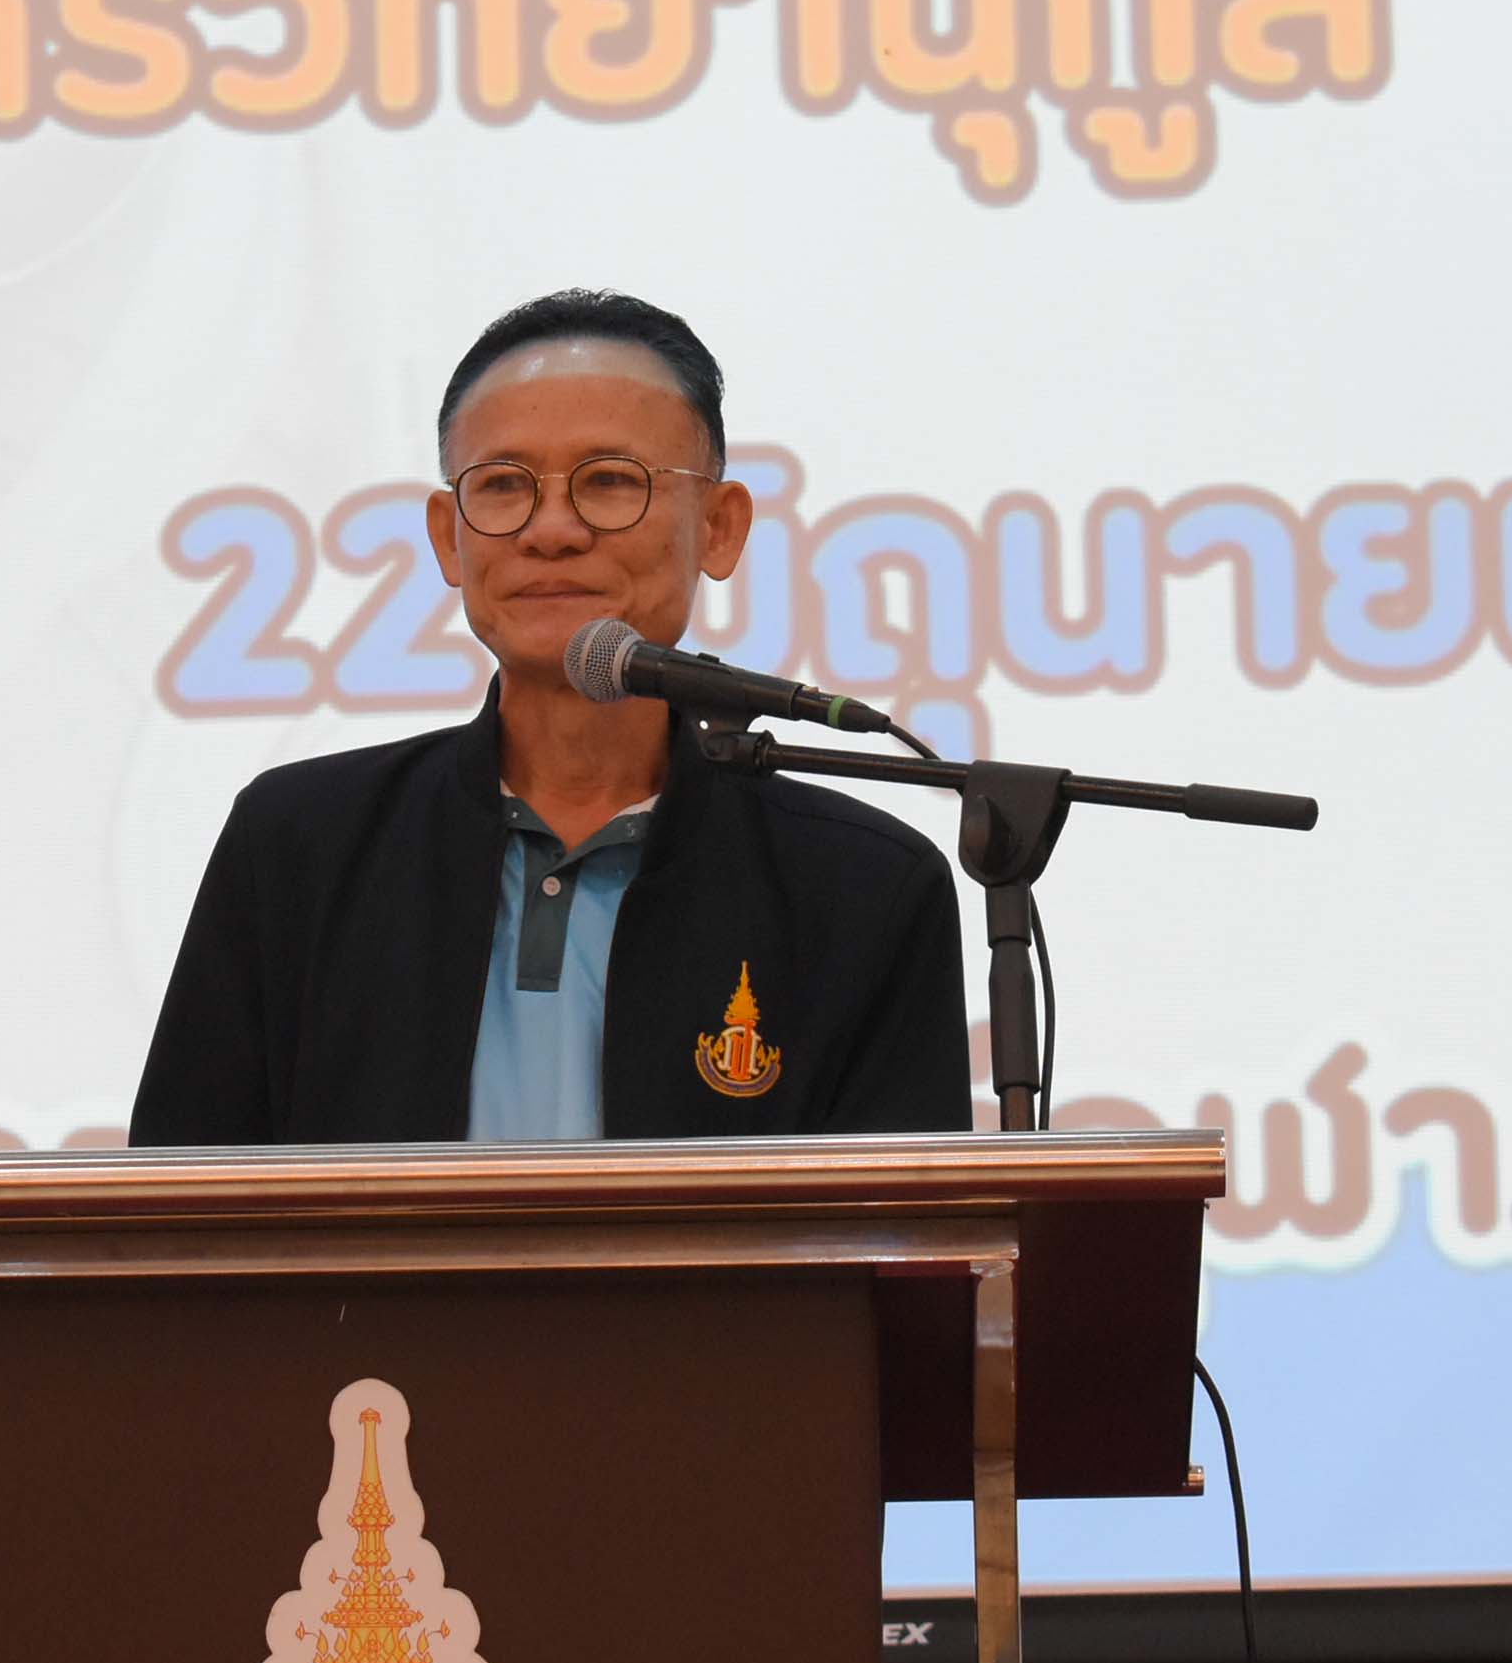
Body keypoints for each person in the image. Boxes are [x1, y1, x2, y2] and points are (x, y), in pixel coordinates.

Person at [129, 291, 969, 1146]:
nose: (553, 530)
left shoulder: (863, 885)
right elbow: (176, 1200)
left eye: (610, 481)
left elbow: (903, 1224)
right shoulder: (298, 844)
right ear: (449, 537)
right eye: (502, 486)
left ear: (719, 527)